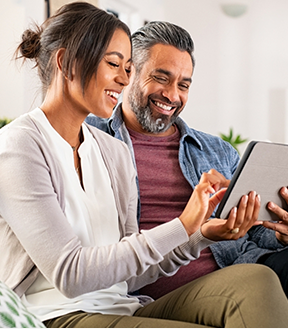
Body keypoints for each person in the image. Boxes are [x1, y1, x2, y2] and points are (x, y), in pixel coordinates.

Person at [0, 3, 287, 328]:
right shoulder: (18, 146)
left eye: (128, 67)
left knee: (256, 281)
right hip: (59, 314)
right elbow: (70, 273)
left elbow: (137, 267)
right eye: (114, 64)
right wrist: (182, 224)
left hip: (124, 305)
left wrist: (202, 234)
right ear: (67, 62)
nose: (124, 79)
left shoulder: (112, 150)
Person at [85, 20, 288, 299]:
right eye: (161, 78)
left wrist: (278, 231)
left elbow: (252, 233)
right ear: (128, 73)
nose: (172, 95)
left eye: (183, 85)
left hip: (240, 265)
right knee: (258, 283)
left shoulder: (217, 150)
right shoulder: (88, 137)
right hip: (153, 289)